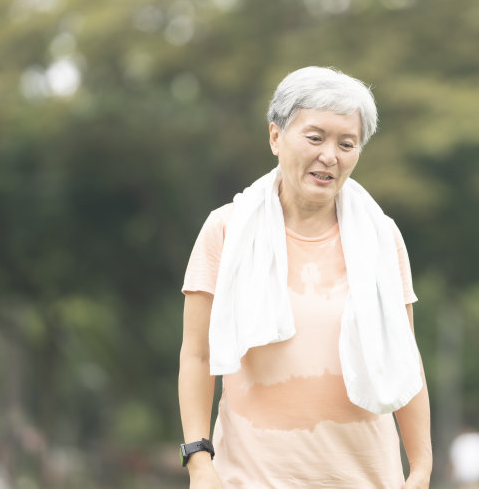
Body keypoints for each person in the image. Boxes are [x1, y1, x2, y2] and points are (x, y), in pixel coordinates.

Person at [178, 66, 432, 488]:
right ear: (276, 137)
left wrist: (421, 468)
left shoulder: (381, 237)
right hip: (250, 477)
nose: (330, 155)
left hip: (369, 477)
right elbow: (197, 355)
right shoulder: (226, 229)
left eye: (346, 143)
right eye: (315, 137)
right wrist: (199, 461)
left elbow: (406, 357)